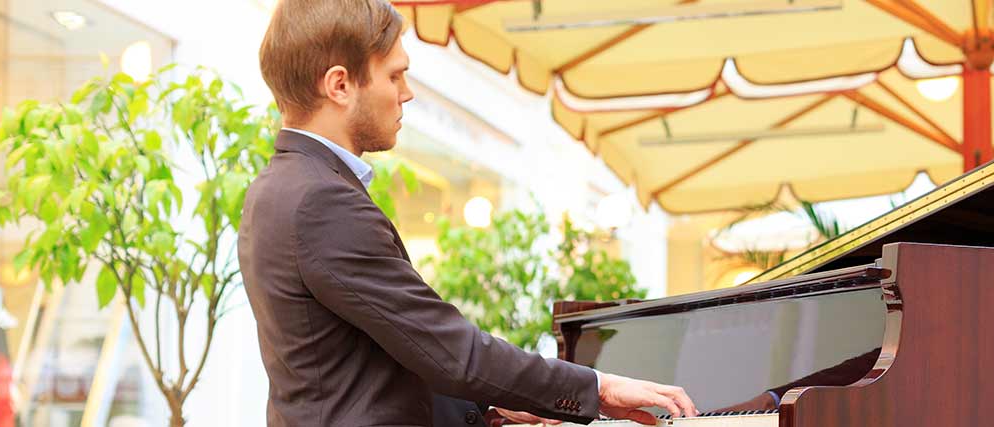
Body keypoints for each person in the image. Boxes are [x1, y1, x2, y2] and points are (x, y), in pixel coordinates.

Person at [238, 1, 699, 426]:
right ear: (340, 85)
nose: (408, 93)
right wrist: (599, 386)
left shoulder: (277, 189)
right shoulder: (322, 200)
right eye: (395, 76)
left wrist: (495, 401)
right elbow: (452, 352)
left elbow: (372, 364)